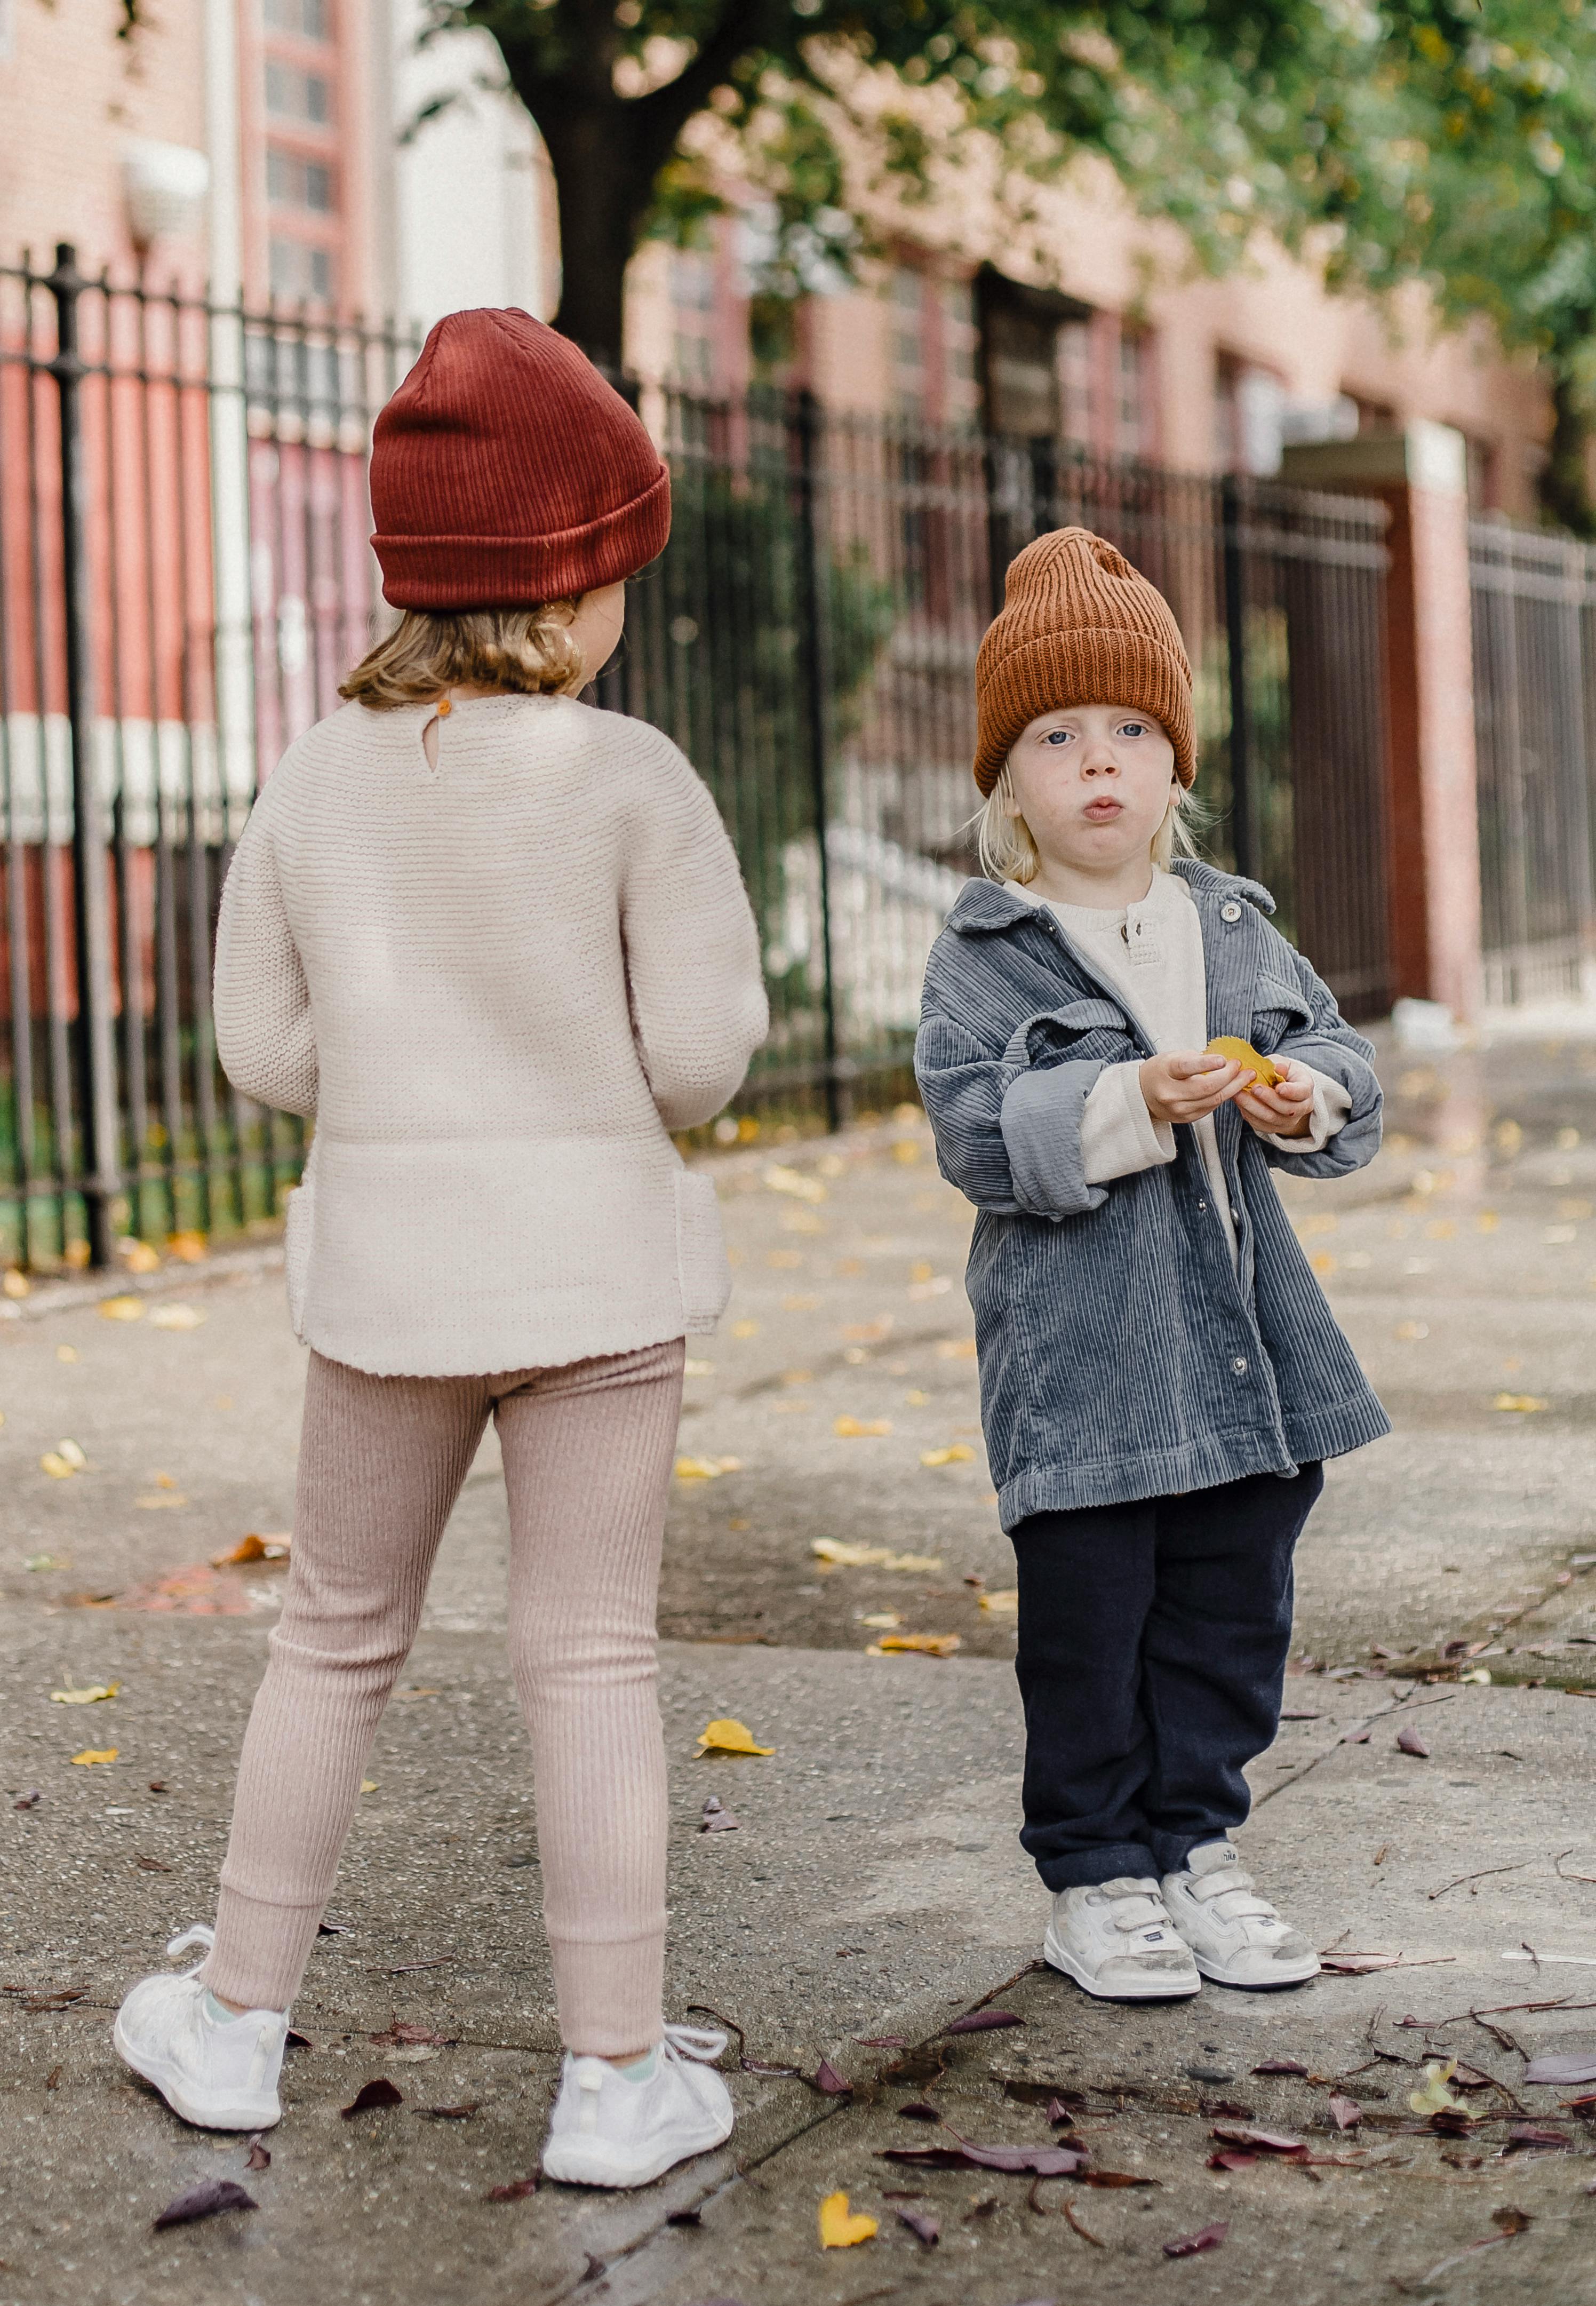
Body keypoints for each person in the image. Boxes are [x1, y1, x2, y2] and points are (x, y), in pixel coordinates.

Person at [112, 308, 769, 2184]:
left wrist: (393, 1082)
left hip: (393, 1280)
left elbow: (262, 1049)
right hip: (595, 1284)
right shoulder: (632, 781)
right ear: (571, 588)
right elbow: (705, 1062)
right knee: (589, 1664)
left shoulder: (317, 777)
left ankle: (236, 2021)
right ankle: (616, 2074)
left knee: (330, 1642)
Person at [915, 524, 1390, 2002]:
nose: (1099, 763)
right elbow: (975, 1129)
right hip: (1085, 1370)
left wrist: (1300, 1093)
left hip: (1243, 1352)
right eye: (1058, 737)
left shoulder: (1227, 920)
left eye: (1131, 730)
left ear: (1176, 762)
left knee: (1231, 1610)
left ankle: (1200, 1850)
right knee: (1091, 1625)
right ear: (1011, 780)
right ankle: (1098, 1874)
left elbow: (1333, 1055)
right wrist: (1125, 1103)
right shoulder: (992, 947)